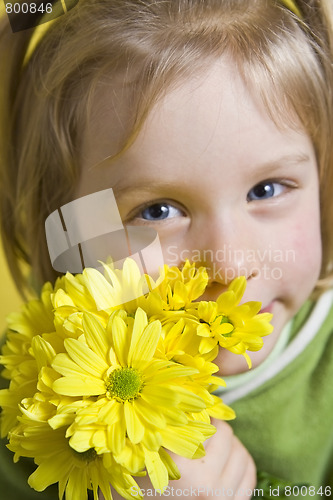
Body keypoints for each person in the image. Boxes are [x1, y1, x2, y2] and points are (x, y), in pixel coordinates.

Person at [0, 0, 333, 499]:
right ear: (61, 231)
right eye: (157, 211)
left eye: (266, 190)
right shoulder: (31, 409)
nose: (230, 265)